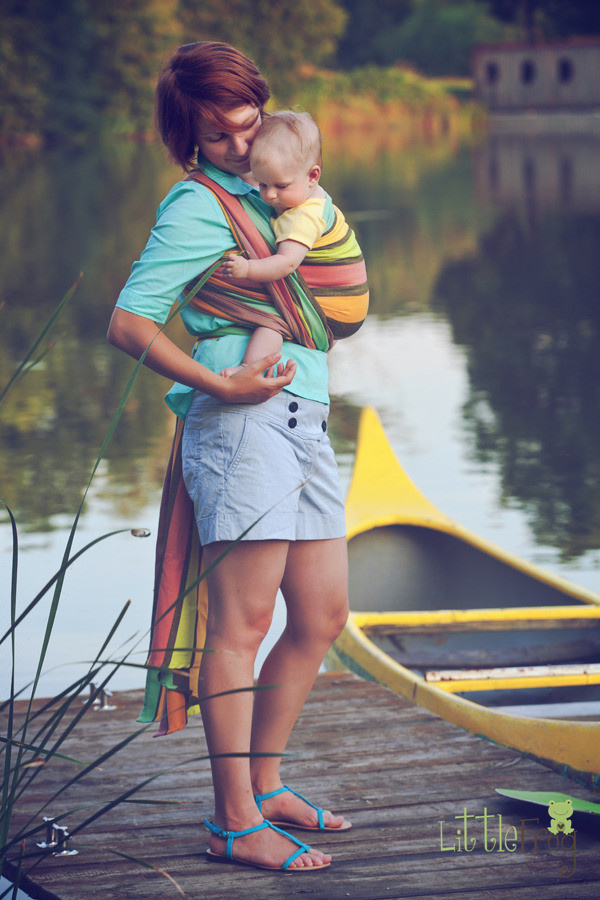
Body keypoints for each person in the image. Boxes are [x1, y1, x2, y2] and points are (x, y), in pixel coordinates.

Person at [107, 41, 353, 873]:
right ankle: (233, 820)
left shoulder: (287, 193)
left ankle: (267, 780)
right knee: (241, 627)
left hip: (306, 420)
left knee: (321, 617)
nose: (241, 147)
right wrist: (219, 386)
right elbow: (130, 322)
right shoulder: (197, 206)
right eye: (218, 138)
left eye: (247, 125)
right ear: (191, 143)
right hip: (242, 427)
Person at [221, 110, 368, 378]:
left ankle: (248, 367)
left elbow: (287, 263)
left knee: (272, 322)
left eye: (280, 185)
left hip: (336, 309)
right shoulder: (305, 191)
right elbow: (260, 179)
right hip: (343, 302)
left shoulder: (302, 216)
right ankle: (313, 334)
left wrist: (248, 269)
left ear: (313, 175)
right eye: (263, 184)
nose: (270, 194)